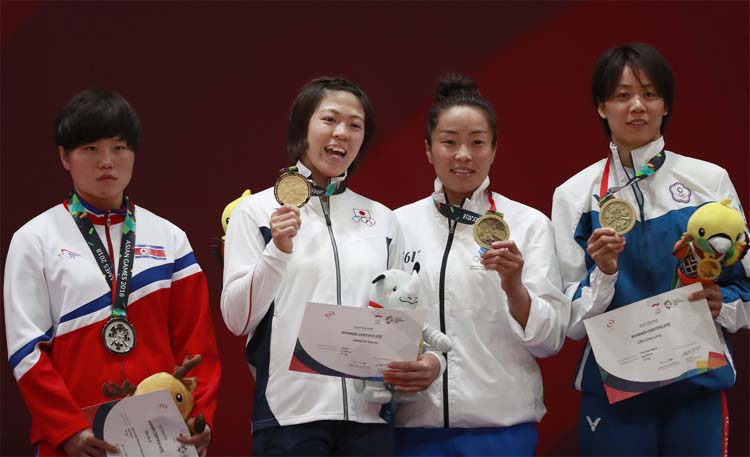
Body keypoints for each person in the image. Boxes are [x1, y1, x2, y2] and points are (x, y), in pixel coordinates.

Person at [551, 42, 750, 455]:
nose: (636, 106)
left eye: (650, 94)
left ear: (666, 105)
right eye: (622, 95)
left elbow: (744, 286)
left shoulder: (709, 182)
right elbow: (566, 319)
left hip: (696, 382)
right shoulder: (574, 195)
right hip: (615, 389)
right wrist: (603, 273)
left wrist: (721, 305)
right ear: (601, 107)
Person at [221, 76, 434, 456]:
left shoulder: (382, 219)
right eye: (329, 120)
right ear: (303, 127)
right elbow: (236, 318)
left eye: (355, 125)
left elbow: (403, 314)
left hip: (369, 417)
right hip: (289, 417)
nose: (342, 133)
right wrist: (277, 251)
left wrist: (425, 360)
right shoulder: (255, 212)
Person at [3, 89, 221, 457]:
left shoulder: (170, 239)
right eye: (90, 149)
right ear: (64, 157)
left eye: (119, 148)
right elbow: (26, 350)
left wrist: (197, 417)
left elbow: (197, 344)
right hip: (78, 441)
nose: (107, 161)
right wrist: (67, 429)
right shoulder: (34, 240)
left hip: (161, 438)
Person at [388, 75, 570, 456]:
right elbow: (382, 319)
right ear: (428, 149)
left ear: (494, 150)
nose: (463, 155)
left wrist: (514, 286)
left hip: (501, 432)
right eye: (449, 142)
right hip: (414, 429)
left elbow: (550, 340)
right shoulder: (397, 225)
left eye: (476, 142)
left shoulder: (527, 224)